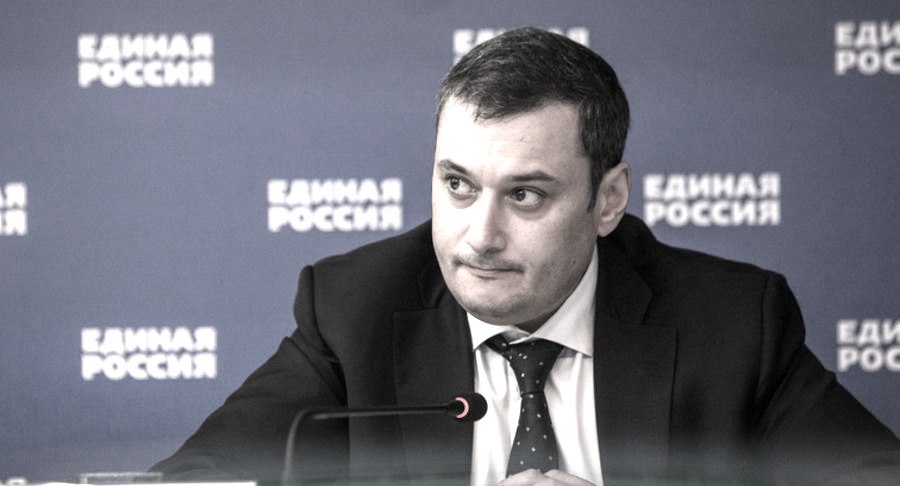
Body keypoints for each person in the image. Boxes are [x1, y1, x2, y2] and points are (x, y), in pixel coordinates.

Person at [152, 27, 900, 485]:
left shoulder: (732, 323)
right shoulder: (354, 308)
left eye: (526, 195)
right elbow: (192, 481)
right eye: (457, 185)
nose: (480, 235)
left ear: (608, 200)